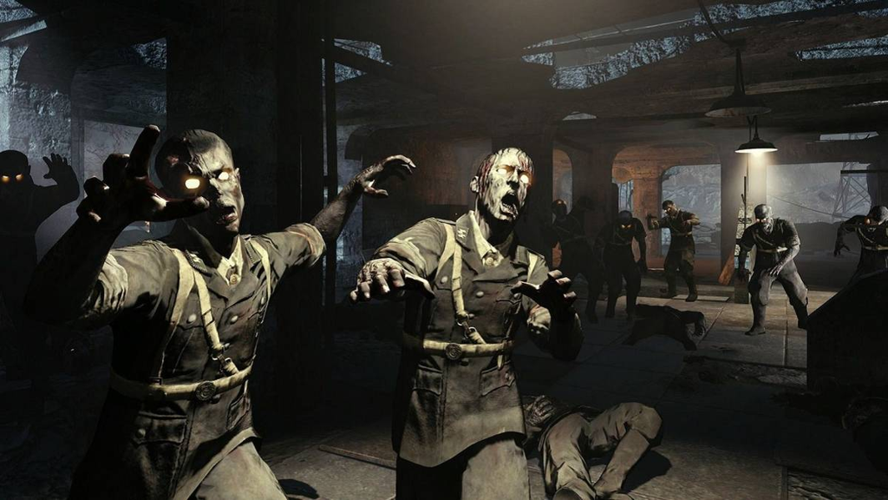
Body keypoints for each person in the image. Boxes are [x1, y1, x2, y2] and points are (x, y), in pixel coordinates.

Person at [24, 125, 415, 500]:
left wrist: (352, 189)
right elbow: (50, 306)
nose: (216, 191)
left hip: (225, 442)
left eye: (223, 175)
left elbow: (314, 235)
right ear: (169, 195)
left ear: (238, 177)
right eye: (194, 183)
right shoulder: (158, 264)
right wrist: (99, 230)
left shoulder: (261, 255)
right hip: (141, 451)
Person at [351, 147, 583, 500]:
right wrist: (385, 267)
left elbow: (561, 345)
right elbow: (403, 255)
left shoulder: (530, 264)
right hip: (427, 408)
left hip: (496, 410)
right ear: (477, 184)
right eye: (506, 171)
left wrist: (561, 316)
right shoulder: (438, 235)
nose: (516, 183)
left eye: (524, 179)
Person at [0, 150, 79, 380]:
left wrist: (64, 176)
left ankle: (32, 366)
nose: (12, 184)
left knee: (24, 315)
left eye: (17, 177)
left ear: (26, 172)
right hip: (17, 258)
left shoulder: (35, 197)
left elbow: (69, 192)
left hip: (21, 261)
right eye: (5, 177)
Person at [522, 395, 662, 500]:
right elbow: (513, 449)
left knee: (645, 415)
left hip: (588, 418)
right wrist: (530, 426)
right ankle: (576, 490)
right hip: (556, 425)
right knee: (564, 454)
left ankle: (605, 488)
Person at [735, 204, 808, 336]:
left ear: (771, 216)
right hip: (764, 264)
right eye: (759, 219)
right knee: (758, 292)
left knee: (799, 292)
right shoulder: (752, 230)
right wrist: (741, 267)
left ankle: (804, 321)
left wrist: (781, 264)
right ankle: (759, 326)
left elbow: (795, 247)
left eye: (765, 219)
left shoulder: (785, 225)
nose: (762, 222)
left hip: (786, 263)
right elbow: (744, 249)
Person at [543, 197, 602, 322]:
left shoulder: (575, 217)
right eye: (559, 209)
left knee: (596, 282)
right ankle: (563, 312)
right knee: (562, 287)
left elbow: (585, 205)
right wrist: (546, 230)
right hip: (570, 260)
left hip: (585, 256)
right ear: (555, 211)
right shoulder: (555, 227)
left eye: (563, 208)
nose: (562, 211)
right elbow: (551, 243)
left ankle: (590, 310)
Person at [593, 210, 647, 320]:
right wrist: (601, 263)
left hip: (627, 257)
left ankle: (631, 310)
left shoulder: (635, 224)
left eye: (628, 225)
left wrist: (643, 258)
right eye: (623, 225)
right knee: (615, 287)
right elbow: (598, 246)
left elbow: (641, 241)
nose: (626, 228)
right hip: (612, 258)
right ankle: (610, 311)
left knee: (634, 283)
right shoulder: (610, 228)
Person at [646, 200, 699, 302]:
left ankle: (693, 292)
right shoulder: (667, 219)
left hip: (686, 245)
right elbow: (653, 227)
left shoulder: (684, 215)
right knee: (669, 268)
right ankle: (672, 291)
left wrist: (690, 221)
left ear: (674, 205)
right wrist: (649, 220)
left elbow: (697, 220)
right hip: (675, 246)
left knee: (686, 268)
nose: (668, 211)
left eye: (669, 208)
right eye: (666, 210)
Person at [834, 205, 888, 283]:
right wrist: (839, 241)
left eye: (878, 222)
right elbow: (843, 228)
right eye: (872, 220)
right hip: (866, 259)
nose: (873, 224)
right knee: (856, 284)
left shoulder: (886, 228)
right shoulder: (858, 222)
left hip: (884, 260)